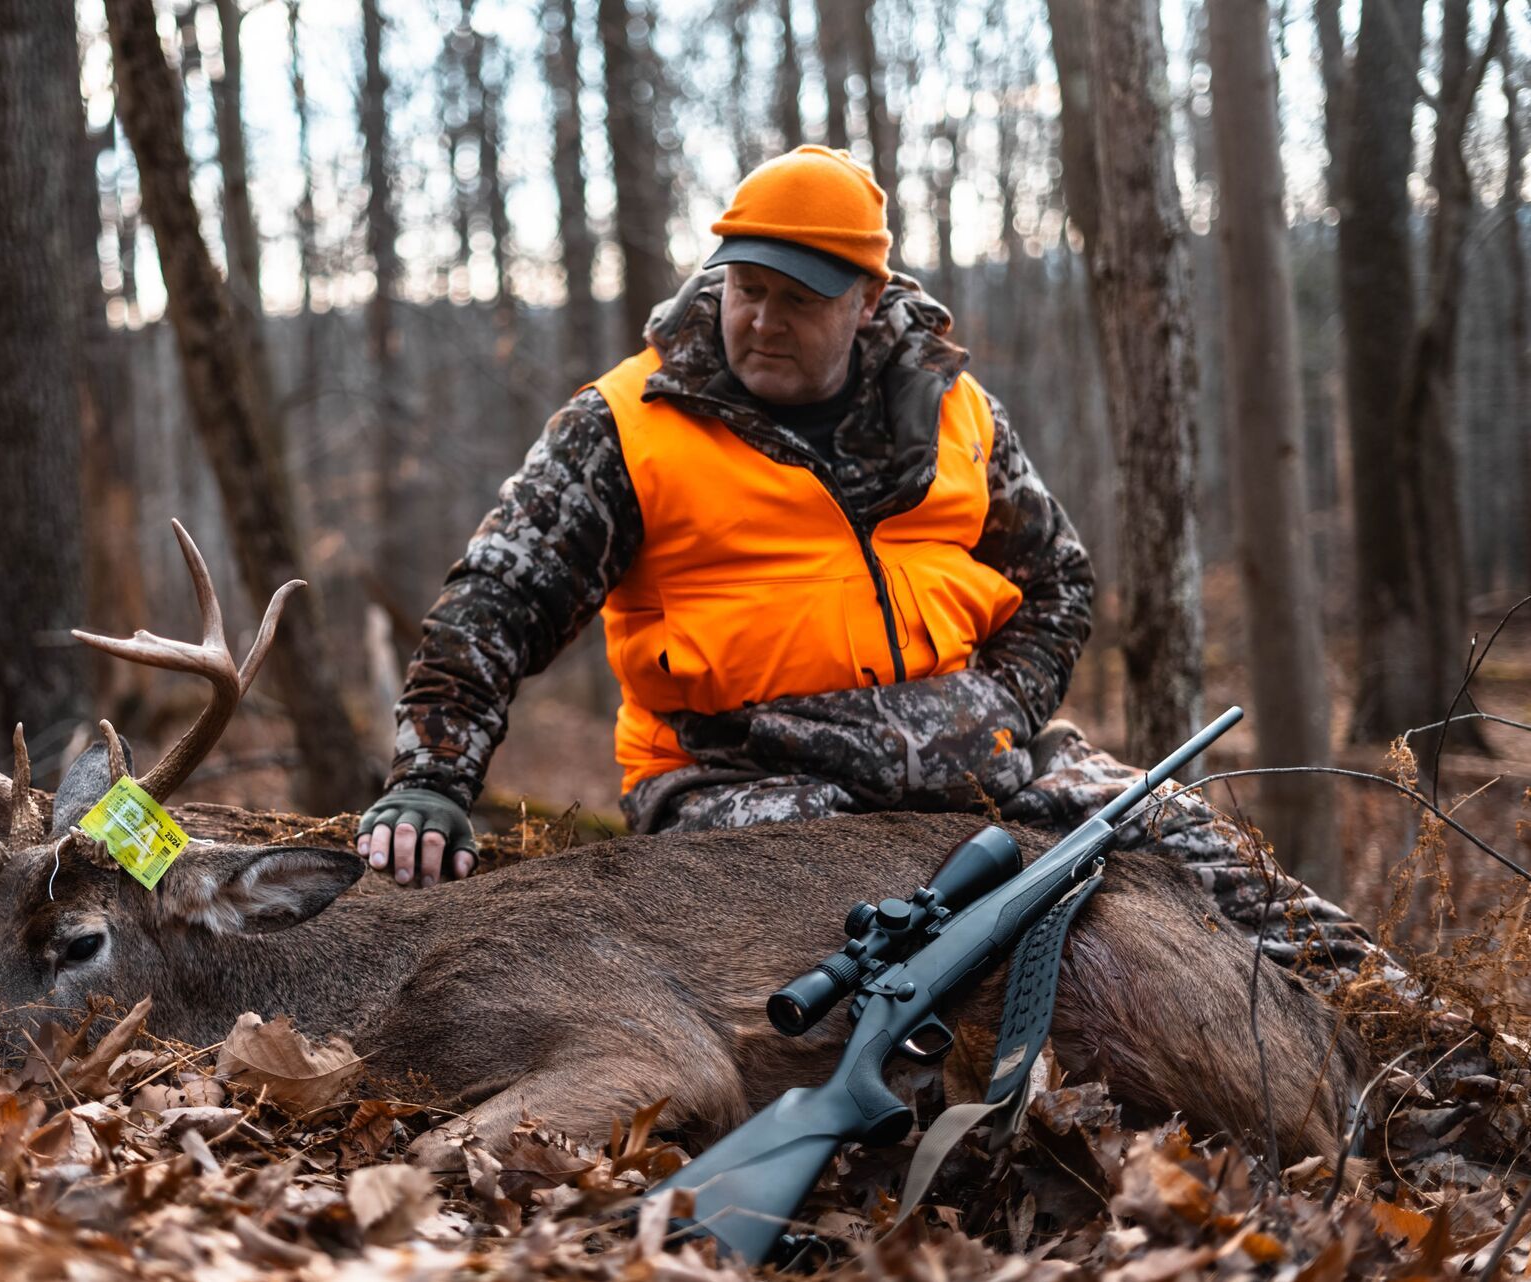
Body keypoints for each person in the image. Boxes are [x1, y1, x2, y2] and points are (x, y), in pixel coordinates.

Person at [357, 146, 1372, 978]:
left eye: (794, 300)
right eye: (743, 289)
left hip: (975, 761)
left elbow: (1055, 579)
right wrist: (432, 777)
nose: (758, 319)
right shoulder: (627, 422)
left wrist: (1000, 709)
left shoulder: (950, 410)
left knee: (1221, 867)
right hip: (742, 776)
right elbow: (498, 595)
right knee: (892, 948)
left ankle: (1444, 1062)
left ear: (863, 299)